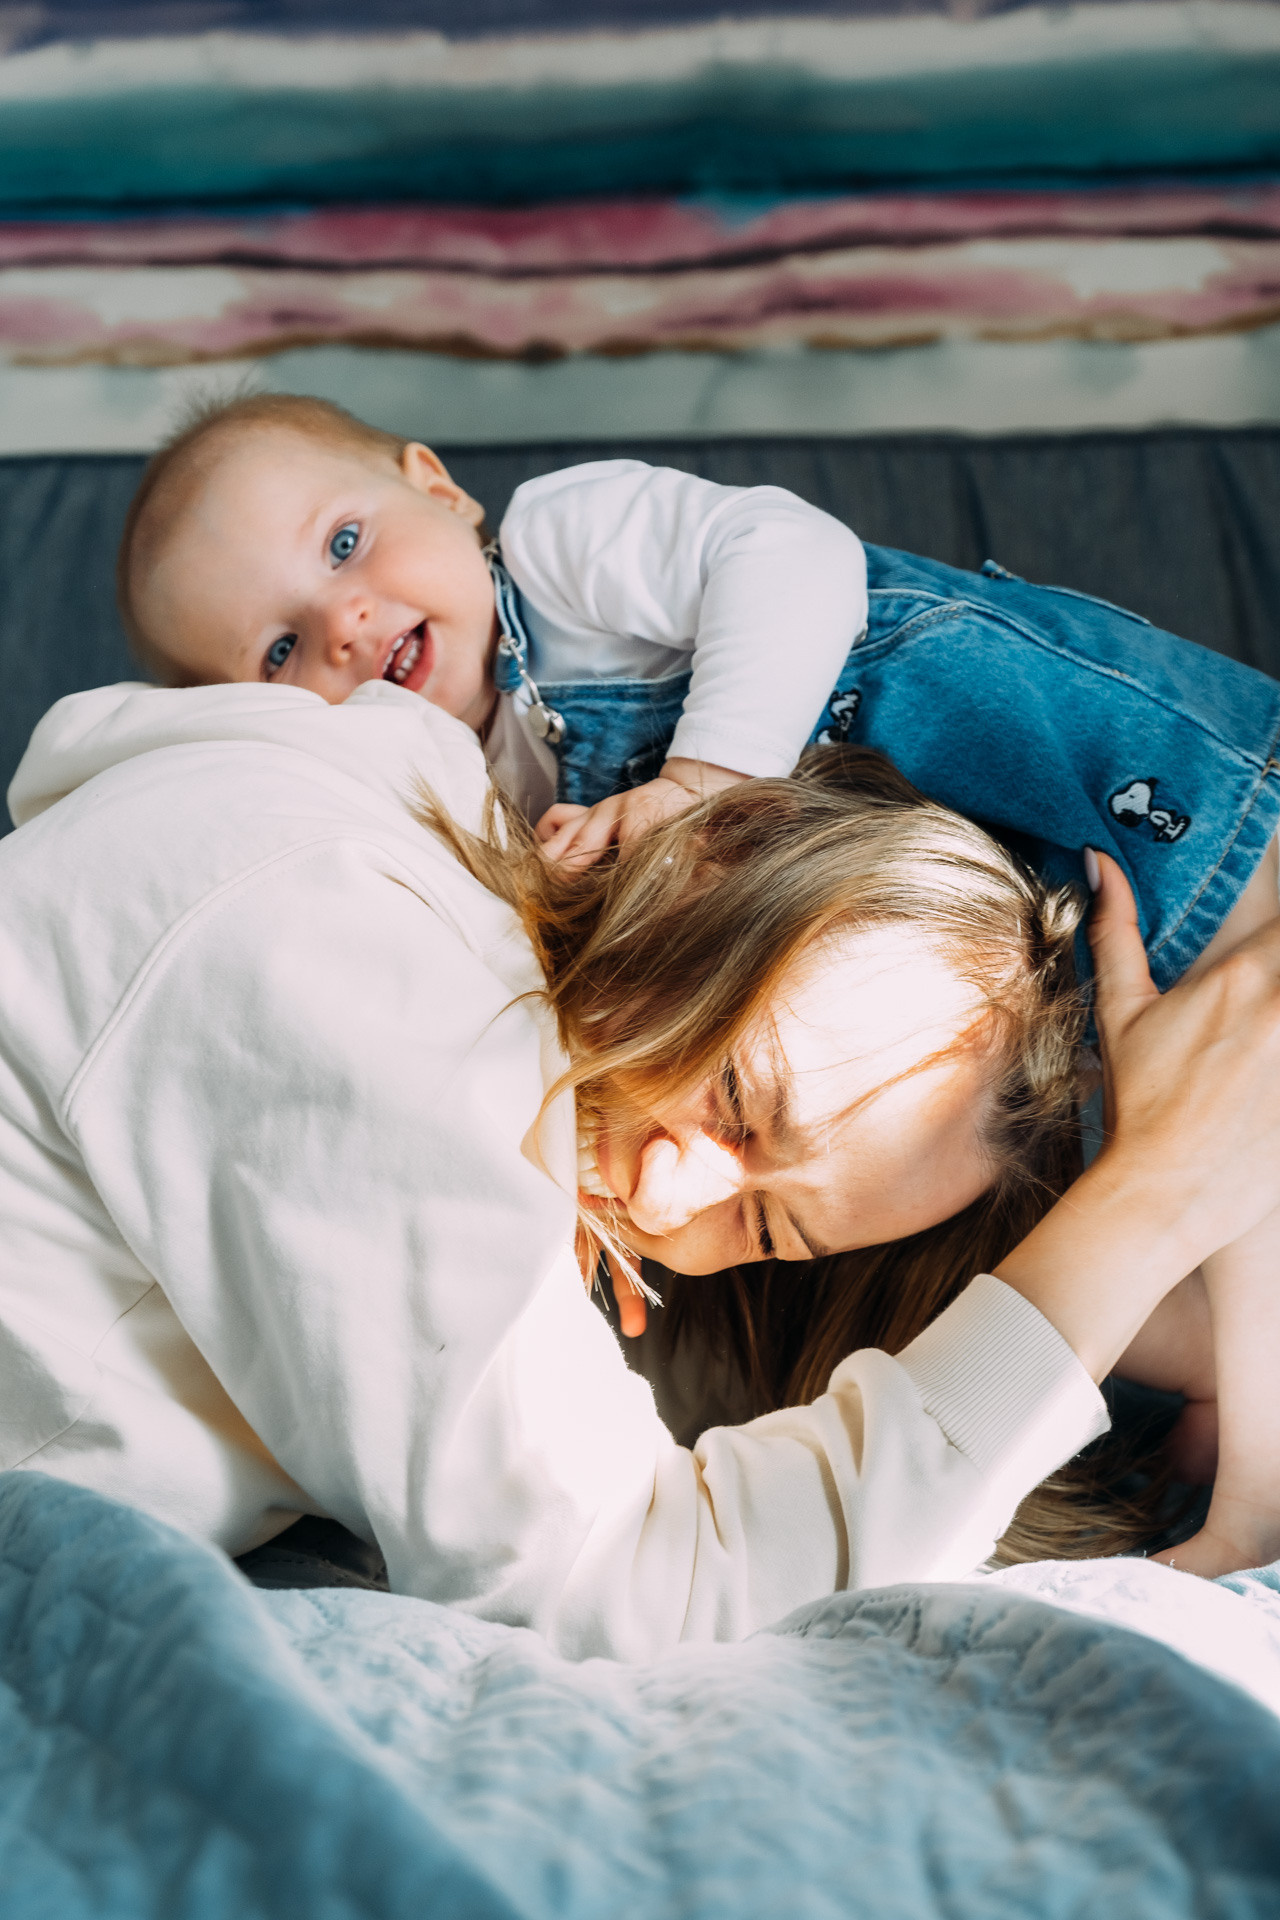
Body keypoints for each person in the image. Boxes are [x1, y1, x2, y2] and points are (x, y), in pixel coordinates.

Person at [5, 681, 1280, 1659]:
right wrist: (1146, 1196)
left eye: (770, 1230)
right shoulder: (342, 952)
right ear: (723, 844)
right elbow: (630, 1583)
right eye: (733, 1098)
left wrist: (1175, 1266)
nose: (666, 1207)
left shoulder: (440, 926)